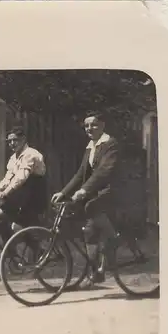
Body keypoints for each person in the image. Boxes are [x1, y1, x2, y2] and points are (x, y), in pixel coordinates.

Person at [52, 110, 120, 287]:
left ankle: (114, 237)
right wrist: (64, 192)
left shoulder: (110, 144)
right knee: (89, 231)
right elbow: (81, 172)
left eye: (94, 124)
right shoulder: (91, 146)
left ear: (103, 125)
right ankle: (96, 272)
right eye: (87, 125)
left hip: (111, 190)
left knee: (90, 207)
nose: (90, 128)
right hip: (97, 191)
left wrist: (84, 190)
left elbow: (104, 172)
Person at [0, 126, 47, 247]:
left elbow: (21, 177)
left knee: (19, 227)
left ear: (23, 139)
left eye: (15, 140)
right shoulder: (13, 158)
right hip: (20, 195)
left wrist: (6, 192)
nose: (12, 143)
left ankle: (37, 253)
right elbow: (7, 180)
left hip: (34, 195)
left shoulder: (31, 154)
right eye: (9, 141)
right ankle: (10, 249)